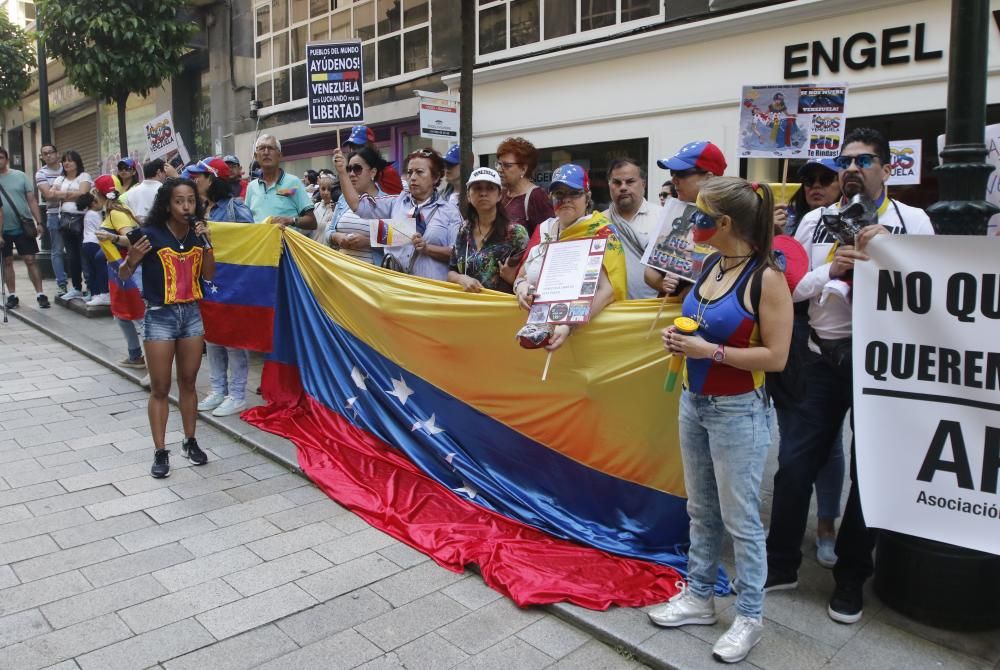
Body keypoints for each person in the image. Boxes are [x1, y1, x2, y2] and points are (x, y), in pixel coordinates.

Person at [765, 127, 935, 624]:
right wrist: (831, 272)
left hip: (880, 364)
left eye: (863, 160)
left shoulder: (913, 221)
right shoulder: (816, 221)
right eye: (846, 161)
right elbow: (789, 291)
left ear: (886, 167)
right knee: (794, 464)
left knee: (870, 475)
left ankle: (851, 579)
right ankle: (780, 566)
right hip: (821, 358)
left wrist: (893, 255)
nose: (852, 169)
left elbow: (928, 295)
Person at [648, 177, 792, 665]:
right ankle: (700, 597)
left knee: (741, 519)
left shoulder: (766, 278)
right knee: (701, 509)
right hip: (694, 400)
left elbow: (776, 356)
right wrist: (680, 335)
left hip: (740, 411)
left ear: (725, 223)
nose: (693, 222)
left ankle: (749, 615)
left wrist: (710, 350)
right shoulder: (711, 263)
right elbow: (701, 320)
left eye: (701, 216)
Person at [772, 157, 845, 568]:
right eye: (809, 180)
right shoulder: (805, 223)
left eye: (824, 179)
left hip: (843, 348)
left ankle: (827, 525)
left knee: (831, 445)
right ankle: (786, 535)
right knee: (796, 442)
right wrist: (779, 237)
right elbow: (790, 283)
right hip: (800, 345)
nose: (816, 185)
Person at [120, 178, 214, 478]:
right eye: (179, 200)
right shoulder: (148, 235)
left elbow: (209, 275)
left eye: (190, 200)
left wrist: (208, 243)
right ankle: (160, 451)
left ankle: (190, 441)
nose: (186, 206)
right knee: (160, 387)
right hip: (159, 315)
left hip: (191, 315)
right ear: (166, 204)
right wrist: (132, 259)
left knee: (189, 382)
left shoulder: (199, 234)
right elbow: (124, 274)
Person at [513, 164, 626, 351]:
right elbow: (521, 275)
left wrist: (569, 324)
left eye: (574, 193)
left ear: (587, 196)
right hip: (537, 334)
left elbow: (609, 291)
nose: (566, 200)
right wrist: (521, 288)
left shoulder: (601, 231)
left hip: (585, 335)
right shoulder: (543, 230)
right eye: (559, 194)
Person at [188, 157, 255, 418]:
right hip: (205, 281)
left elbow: (251, 235)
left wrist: (216, 231)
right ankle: (218, 389)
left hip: (230, 282)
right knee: (212, 337)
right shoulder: (198, 207)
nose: (194, 182)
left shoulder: (234, 206)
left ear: (212, 179)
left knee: (233, 339)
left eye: (199, 177)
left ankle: (237, 395)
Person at [334, 146, 462, 280]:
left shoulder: (450, 211)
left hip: (431, 292)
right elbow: (357, 206)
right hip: (396, 290)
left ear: (435, 178)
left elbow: (459, 254)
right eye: (409, 172)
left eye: (419, 172)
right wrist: (342, 172)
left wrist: (427, 249)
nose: (412, 177)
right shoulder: (397, 203)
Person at [644, 140, 727, 296]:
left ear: (709, 177)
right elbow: (649, 271)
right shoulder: (673, 212)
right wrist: (663, 284)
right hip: (669, 313)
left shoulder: (730, 219)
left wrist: (697, 292)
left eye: (681, 173)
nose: (674, 180)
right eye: (672, 173)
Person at [92, 174, 146, 370]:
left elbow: (132, 239)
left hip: (130, 269)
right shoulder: (114, 211)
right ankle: (135, 355)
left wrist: (110, 237)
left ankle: (153, 364)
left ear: (98, 194)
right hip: (119, 270)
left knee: (139, 316)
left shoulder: (116, 213)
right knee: (122, 315)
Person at [447, 167, 528, 294]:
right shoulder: (464, 230)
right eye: (477, 188)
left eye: (490, 188)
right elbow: (451, 271)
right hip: (468, 307)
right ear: (468, 195)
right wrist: (461, 278)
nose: (483, 193)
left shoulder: (516, 233)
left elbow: (529, 276)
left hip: (503, 308)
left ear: (500, 195)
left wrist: (513, 279)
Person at [602, 157, 661, 299]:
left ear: (643, 184)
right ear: (609, 185)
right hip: (612, 311)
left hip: (654, 308)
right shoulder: (598, 222)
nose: (623, 187)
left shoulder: (662, 217)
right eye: (616, 182)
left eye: (630, 182)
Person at [0, 146, 48, 309]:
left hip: (23, 225)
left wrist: (39, 222)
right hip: (2, 230)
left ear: (6, 159)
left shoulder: (20, 176)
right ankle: (12, 295)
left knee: (30, 260)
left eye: (1, 157)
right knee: (6, 261)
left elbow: (32, 200)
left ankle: (40, 294)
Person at [244, 134, 317, 234]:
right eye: (261, 148)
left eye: (270, 148)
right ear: (256, 156)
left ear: (279, 155)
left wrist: (290, 220)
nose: (266, 152)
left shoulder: (293, 183)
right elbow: (246, 221)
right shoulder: (252, 187)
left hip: (286, 247)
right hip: (259, 246)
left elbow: (312, 222)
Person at [326, 146, 385, 264]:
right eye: (349, 169)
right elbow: (328, 232)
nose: (352, 174)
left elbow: (401, 240)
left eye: (357, 169)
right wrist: (336, 237)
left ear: (373, 172)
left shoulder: (387, 201)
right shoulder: (343, 198)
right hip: (341, 272)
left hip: (372, 276)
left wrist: (368, 242)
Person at [49, 151, 92, 300]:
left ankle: (90, 288)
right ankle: (76, 287)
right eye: (65, 161)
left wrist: (63, 194)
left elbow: (83, 193)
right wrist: (72, 193)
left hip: (81, 219)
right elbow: (51, 195)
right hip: (65, 220)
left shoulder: (84, 176)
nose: (67, 163)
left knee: (84, 255)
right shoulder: (60, 178)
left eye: (70, 161)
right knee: (72, 256)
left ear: (77, 162)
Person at [495, 137, 553, 236]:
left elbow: (547, 237)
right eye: (499, 164)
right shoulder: (502, 194)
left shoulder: (536, 196)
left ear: (523, 169)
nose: (499, 169)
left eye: (507, 165)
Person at [774, 158, 841, 236]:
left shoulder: (851, 224)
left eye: (826, 179)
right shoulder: (785, 221)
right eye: (809, 180)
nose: (816, 185)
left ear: (841, 183)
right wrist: (770, 233)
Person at [35, 144, 66, 295]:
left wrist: (58, 191)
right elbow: (48, 195)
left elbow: (84, 190)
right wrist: (73, 192)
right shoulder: (41, 173)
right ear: (41, 157)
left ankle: (83, 283)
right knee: (57, 251)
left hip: (74, 214)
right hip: (54, 214)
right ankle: (62, 284)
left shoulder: (67, 167)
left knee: (78, 250)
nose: (48, 156)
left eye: (50, 152)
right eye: (44, 154)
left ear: (57, 154)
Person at [342, 125, 403, 195]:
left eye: (359, 147)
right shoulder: (349, 173)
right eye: (352, 147)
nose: (354, 151)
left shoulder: (387, 172)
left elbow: (399, 201)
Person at [74, 192, 110, 307]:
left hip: (87, 243)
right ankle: (102, 293)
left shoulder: (88, 214)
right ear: (93, 203)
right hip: (94, 243)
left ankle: (95, 294)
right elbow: (101, 229)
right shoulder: (94, 214)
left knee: (91, 270)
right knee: (98, 269)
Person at [124, 159, 168, 224]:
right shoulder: (164, 190)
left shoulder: (131, 192)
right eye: (165, 172)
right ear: (159, 172)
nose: (166, 176)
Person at [312, 173, 337, 244]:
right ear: (319, 190)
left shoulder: (337, 209)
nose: (326, 192)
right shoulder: (315, 206)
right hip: (312, 249)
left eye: (329, 189)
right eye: (323, 189)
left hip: (327, 252)